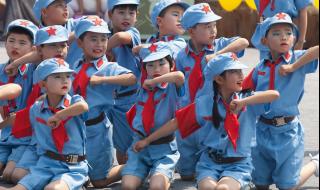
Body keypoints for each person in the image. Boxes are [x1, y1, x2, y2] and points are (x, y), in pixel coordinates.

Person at [133, 52, 280, 190]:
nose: (241, 75)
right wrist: (147, 141)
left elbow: (274, 94)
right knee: (208, 188)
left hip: (238, 165)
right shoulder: (204, 103)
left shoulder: (248, 99)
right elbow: (176, 123)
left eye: (240, 71)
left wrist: (244, 102)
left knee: (223, 188)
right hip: (209, 163)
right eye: (234, 72)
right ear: (219, 79)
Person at [243, 12, 319, 190]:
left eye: (288, 32)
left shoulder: (297, 59)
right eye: (276, 33)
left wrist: (293, 67)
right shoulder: (259, 68)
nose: (284, 36)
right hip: (261, 130)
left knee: (287, 186)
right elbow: (244, 91)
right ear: (265, 41)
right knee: (260, 184)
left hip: (288, 131)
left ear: (294, 38)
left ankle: (315, 164)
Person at [174, 3, 249, 181]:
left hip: (211, 116)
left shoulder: (221, 45)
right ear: (191, 31)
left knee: (210, 164)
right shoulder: (181, 56)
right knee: (186, 175)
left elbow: (243, 42)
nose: (213, 30)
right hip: (188, 114)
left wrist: (218, 55)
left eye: (214, 25)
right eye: (207, 27)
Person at [0, 58, 89, 190]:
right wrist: (1, 125)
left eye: (68, 76)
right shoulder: (37, 108)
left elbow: (83, 107)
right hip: (45, 164)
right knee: (17, 187)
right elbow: (19, 118)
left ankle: (79, 183)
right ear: (43, 84)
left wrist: (59, 115)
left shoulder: (74, 101)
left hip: (72, 167)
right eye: (57, 76)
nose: (65, 80)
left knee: (52, 189)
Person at [73, 15, 137, 188]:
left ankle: (137, 167)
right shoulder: (76, 65)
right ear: (80, 43)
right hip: (74, 129)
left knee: (99, 181)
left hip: (97, 130)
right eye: (93, 39)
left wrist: (103, 80)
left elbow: (131, 78)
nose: (99, 44)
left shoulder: (108, 67)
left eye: (103, 39)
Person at [9, 25, 70, 184]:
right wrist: (15, 64)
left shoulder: (69, 72)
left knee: (18, 177)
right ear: (39, 50)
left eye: (63, 45)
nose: (59, 50)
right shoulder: (37, 70)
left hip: (62, 142)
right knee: (13, 176)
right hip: (36, 138)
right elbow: (37, 56)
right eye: (52, 45)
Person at [122, 41, 184, 190]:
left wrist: (155, 80)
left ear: (171, 65)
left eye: (161, 63)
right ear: (145, 69)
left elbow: (179, 76)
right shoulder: (142, 88)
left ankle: (162, 173)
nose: (156, 68)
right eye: (150, 65)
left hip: (164, 148)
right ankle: (129, 169)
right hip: (140, 147)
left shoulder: (172, 87)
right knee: (128, 186)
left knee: (156, 186)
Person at [0, 19, 38, 183]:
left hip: (26, 137)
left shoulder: (34, 69)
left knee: (11, 175)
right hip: (5, 135)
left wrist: (17, 63)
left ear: (32, 47)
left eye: (22, 42)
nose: (15, 46)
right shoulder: (1, 69)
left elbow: (41, 54)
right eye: (11, 40)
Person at [105, 0, 141, 165]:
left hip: (127, 99)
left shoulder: (133, 33)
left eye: (131, 13)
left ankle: (125, 172)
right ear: (110, 14)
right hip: (104, 98)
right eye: (121, 12)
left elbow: (120, 37)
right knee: (100, 140)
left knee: (124, 145)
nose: (126, 16)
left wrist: (103, 49)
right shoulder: (102, 33)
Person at [5, 0, 82, 75]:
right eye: (59, 5)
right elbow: (37, 54)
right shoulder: (36, 35)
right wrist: (15, 64)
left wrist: (76, 33)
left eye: (66, 6)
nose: (65, 8)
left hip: (80, 78)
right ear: (44, 12)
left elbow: (91, 21)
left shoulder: (76, 24)